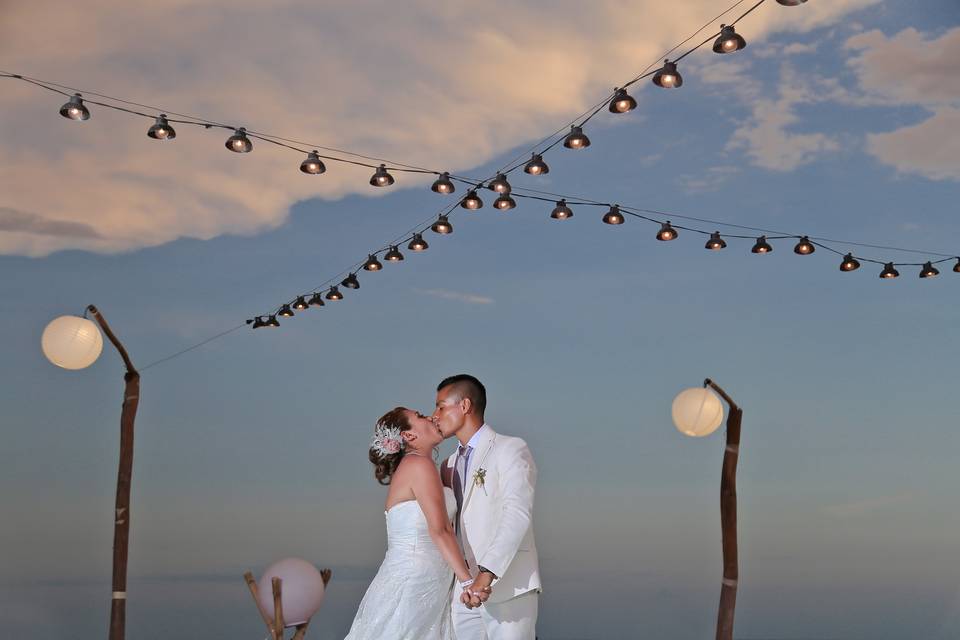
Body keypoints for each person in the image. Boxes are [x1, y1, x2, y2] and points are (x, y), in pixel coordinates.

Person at [344, 407, 477, 640]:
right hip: (414, 581)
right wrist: (468, 582)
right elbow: (440, 530)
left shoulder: (426, 468)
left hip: (430, 579)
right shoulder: (417, 465)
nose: (431, 417)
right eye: (421, 416)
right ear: (408, 436)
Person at [433, 374, 541, 640]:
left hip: (508, 587)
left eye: (441, 406)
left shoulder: (510, 448)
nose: (434, 415)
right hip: (463, 593)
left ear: (465, 406)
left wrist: (486, 573)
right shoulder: (447, 465)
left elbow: (517, 514)